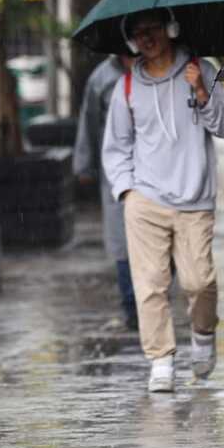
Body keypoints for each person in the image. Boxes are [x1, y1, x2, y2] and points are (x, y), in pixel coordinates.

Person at [102, 10, 224, 393]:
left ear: (170, 30)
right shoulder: (126, 86)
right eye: (137, 33)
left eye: (152, 29)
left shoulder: (201, 70)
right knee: (150, 284)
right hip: (145, 199)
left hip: (195, 198)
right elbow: (116, 146)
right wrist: (126, 190)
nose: (146, 38)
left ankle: (204, 333)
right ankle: (160, 359)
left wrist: (201, 92)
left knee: (199, 282)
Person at [74, 54, 137, 330]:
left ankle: (151, 300)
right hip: (115, 173)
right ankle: (131, 307)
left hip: (157, 173)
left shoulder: (161, 71)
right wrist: (84, 164)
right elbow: (88, 121)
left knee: (159, 242)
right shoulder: (101, 78)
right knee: (121, 244)